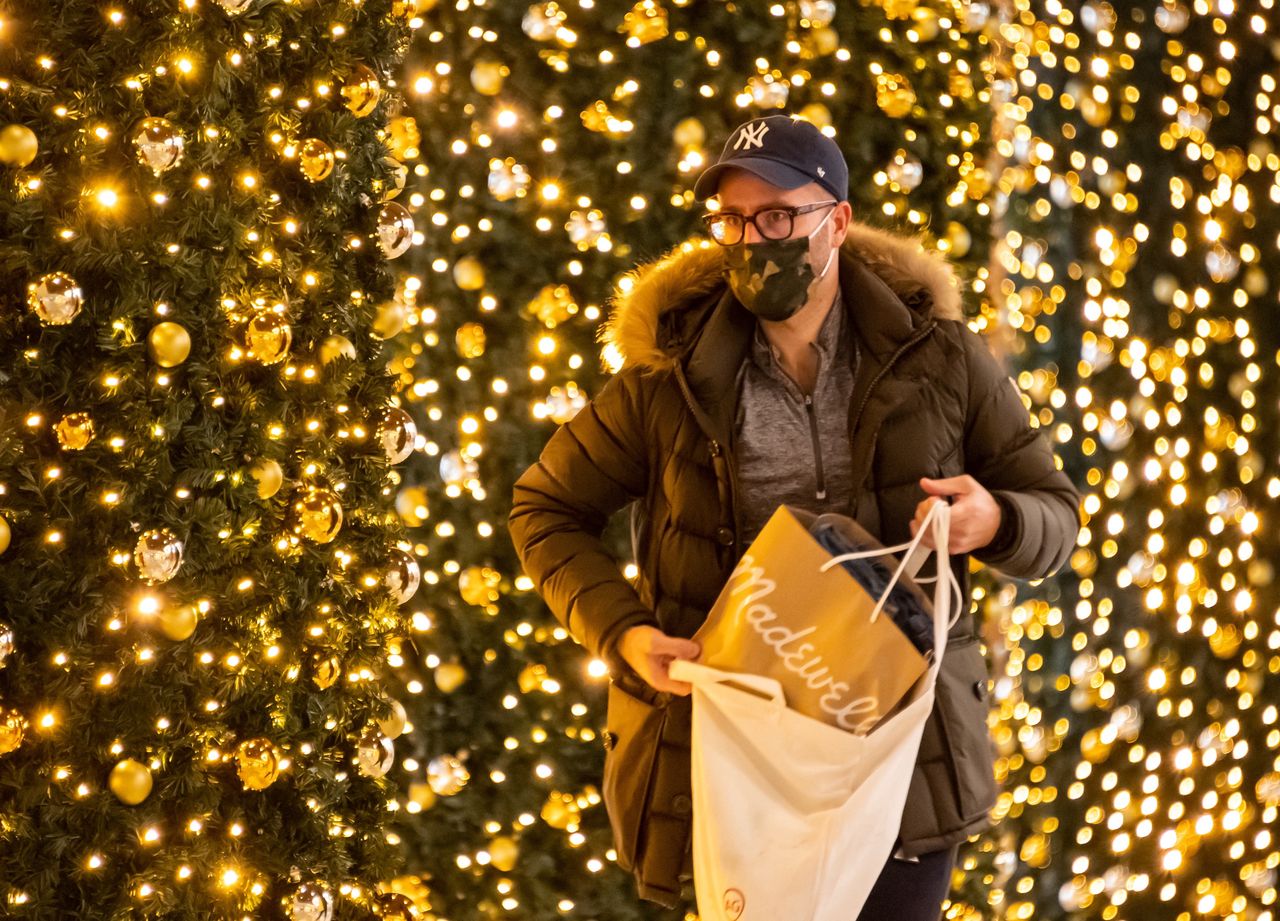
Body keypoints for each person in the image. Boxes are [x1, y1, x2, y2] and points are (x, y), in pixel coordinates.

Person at [508, 113, 1082, 919]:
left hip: (898, 764)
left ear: (837, 222)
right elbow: (546, 507)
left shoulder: (940, 355)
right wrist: (624, 634)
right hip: (738, 761)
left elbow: (1055, 510)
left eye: (779, 216)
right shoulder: (669, 374)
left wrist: (997, 519)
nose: (754, 240)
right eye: (735, 220)